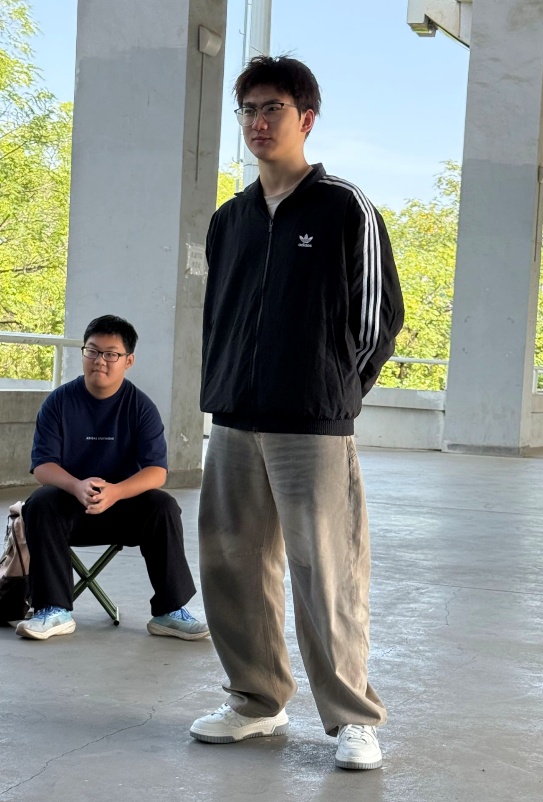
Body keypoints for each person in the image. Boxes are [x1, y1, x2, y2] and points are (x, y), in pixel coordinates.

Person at [190, 56, 404, 770]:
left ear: (305, 118)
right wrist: (226, 384)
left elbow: (377, 319)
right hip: (233, 419)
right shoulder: (230, 220)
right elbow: (218, 318)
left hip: (311, 423)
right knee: (232, 562)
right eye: (248, 109)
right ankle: (256, 701)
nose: (258, 122)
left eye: (272, 108)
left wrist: (334, 392)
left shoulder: (344, 207)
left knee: (326, 572)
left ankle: (353, 718)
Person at [16, 315, 208, 642]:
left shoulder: (140, 407)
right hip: (70, 510)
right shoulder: (58, 403)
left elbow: (157, 471)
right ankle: (53, 610)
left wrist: (116, 492)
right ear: (83, 353)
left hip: (123, 510)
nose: (99, 361)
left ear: (128, 360)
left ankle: (170, 611)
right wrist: (77, 486)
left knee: (163, 506)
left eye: (111, 354)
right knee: (40, 503)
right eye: (92, 351)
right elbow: (42, 465)